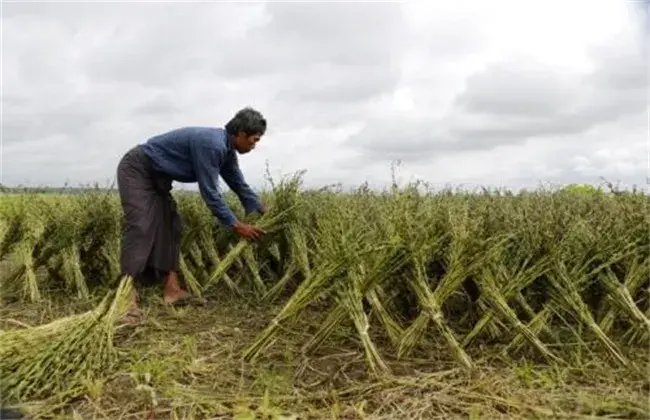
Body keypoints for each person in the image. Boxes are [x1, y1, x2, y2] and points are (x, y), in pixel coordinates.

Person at [116, 107, 268, 323]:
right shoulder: (212, 145)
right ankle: (125, 297)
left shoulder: (226, 151)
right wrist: (236, 225)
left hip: (158, 180)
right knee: (141, 227)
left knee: (171, 226)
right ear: (241, 134)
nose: (254, 145)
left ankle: (172, 291)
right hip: (137, 170)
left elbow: (237, 183)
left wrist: (259, 208)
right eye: (254, 140)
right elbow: (210, 193)